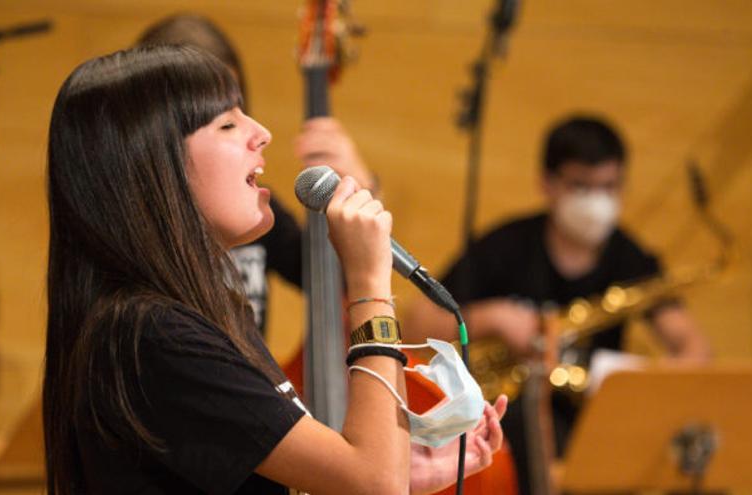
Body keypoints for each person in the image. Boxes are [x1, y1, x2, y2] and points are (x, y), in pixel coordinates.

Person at [42, 45, 506, 495]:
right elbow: (374, 487)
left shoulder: (209, 311)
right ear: (154, 169)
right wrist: (369, 286)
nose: (261, 132)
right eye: (227, 123)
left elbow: (355, 481)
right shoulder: (149, 334)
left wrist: (386, 472)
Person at [405, 115, 711, 494]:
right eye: (582, 187)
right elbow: (418, 324)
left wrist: (651, 391)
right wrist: (494, 316)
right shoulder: (507, 245)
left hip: (595, 424)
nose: (597, 202)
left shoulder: (630, 257)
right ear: (547, 184)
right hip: (508, 415)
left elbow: (693, 347)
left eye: (609, 187)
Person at [137, 14, 376, 334]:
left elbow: (336, 280)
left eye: (241, 110)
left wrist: (360, 191)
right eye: (225, 123)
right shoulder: (132, 238)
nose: (260, 133)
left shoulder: (258, 213)